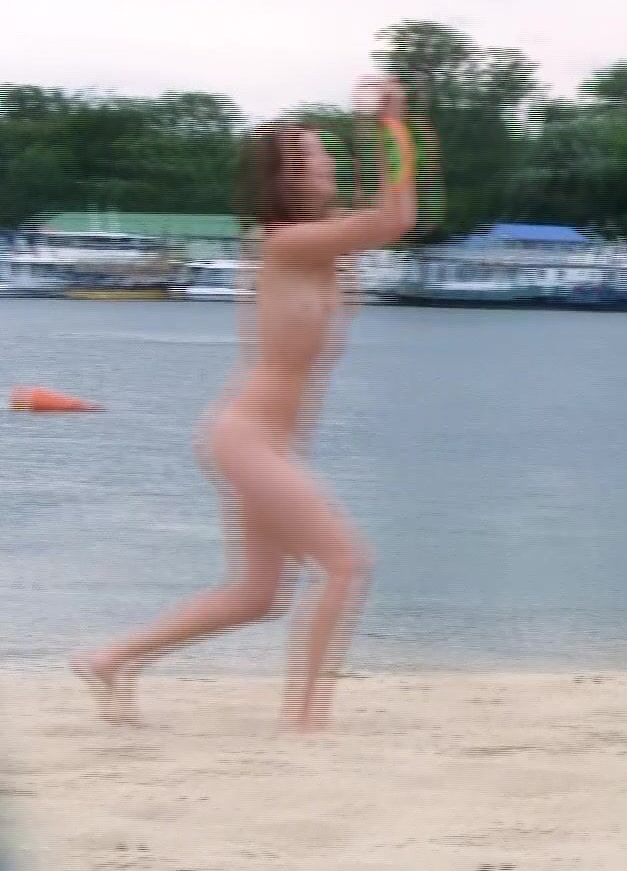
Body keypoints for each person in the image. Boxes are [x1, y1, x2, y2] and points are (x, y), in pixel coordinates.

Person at [73, 77, 424, 732]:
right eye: (312, 155)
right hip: (247, 437)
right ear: (288, 177)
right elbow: (394, 219)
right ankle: (305, 721)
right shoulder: (284, 241)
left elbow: (388, 213)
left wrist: (387, 141)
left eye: (326, 152)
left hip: (270, 442)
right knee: (347, 563)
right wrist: (392, 126)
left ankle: (110, 659)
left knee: (257, 595)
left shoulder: (325, 245)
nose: (326, 161)